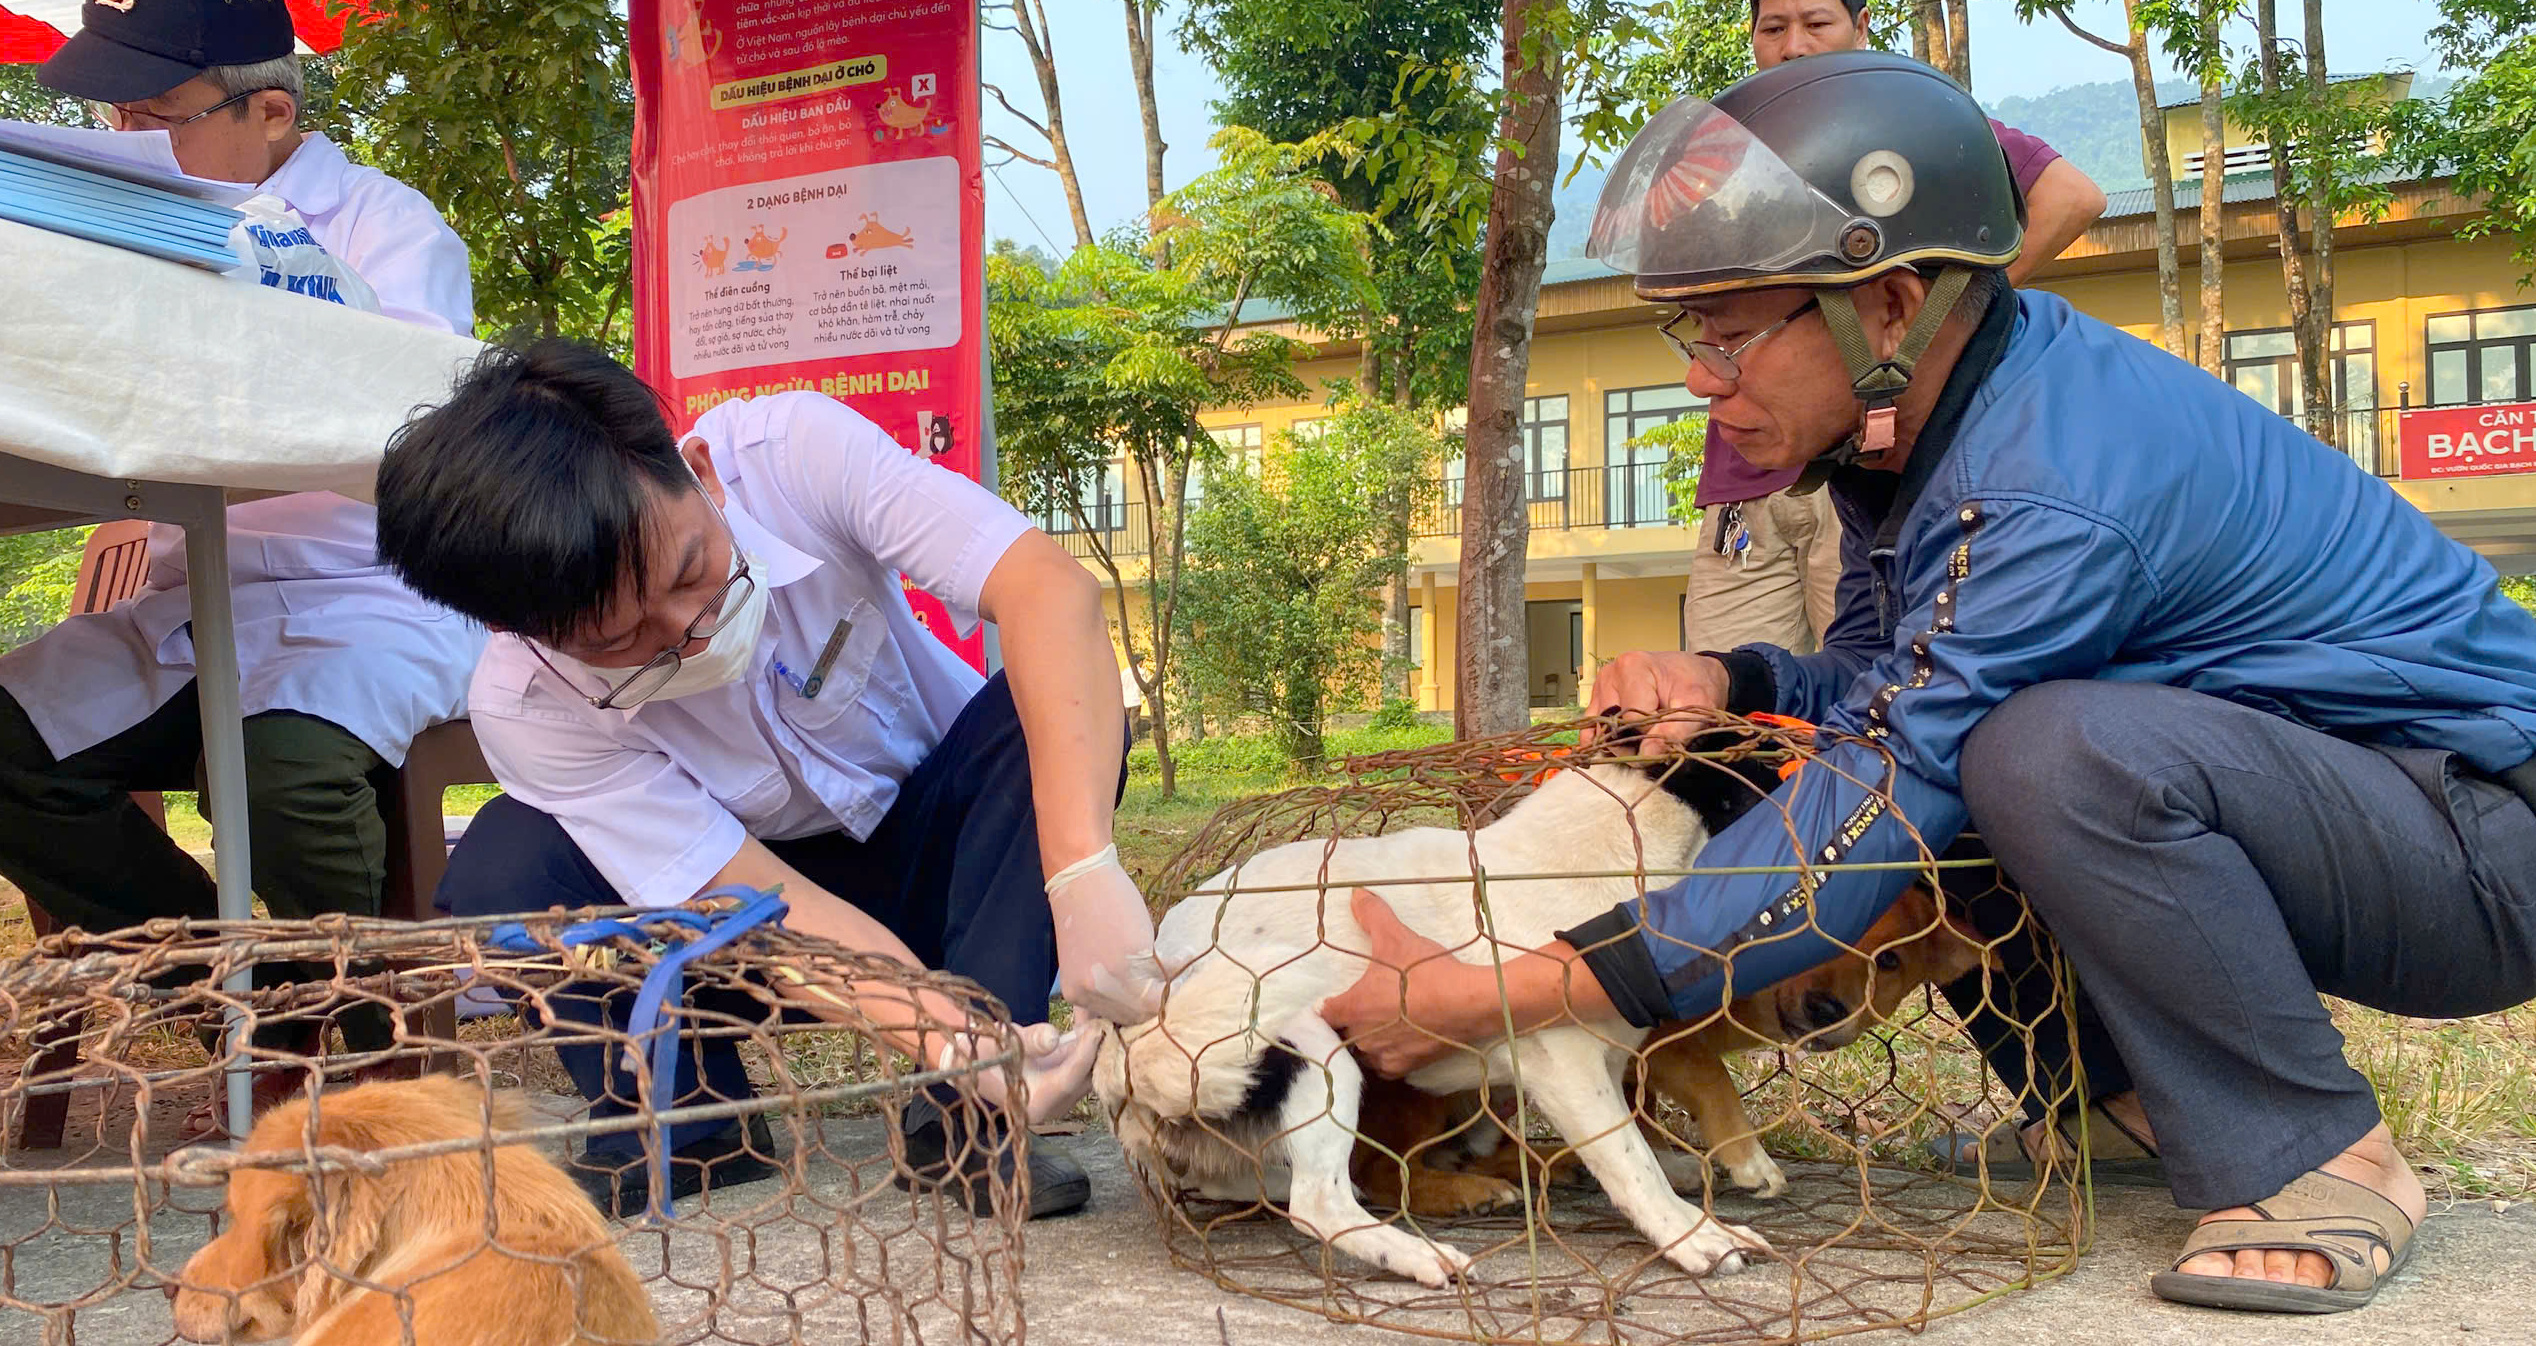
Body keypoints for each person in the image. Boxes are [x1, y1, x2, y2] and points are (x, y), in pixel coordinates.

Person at [1323, 51, 2536, 1314]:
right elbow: (1872, 687)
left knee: (2034, 754)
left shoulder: (2043, 482)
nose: (1700, 377)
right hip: (2350, 808)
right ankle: (2112, 1103)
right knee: (1930, 755)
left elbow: (1887, 777)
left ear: (1890, 305)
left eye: (1731, 335)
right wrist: (1726, 675)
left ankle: (2319, 1155)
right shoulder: (1927, 434)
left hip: (2476, 842)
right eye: (1691, 334)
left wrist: (1508, 989)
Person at [373, 342, 1162, 1221]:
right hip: (744, 935)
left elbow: (1047, 589)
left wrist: (1081, 869)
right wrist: (948, 1037)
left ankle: (967, 1117)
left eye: (689, 572)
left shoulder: (793, 455)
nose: (692, 631)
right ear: (523, 633)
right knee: (508, 861)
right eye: (621, 641)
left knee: (1040, 706)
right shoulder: (527, 707)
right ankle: (685, 1120)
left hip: (951, 868)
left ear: (700, 472)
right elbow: (757, 907)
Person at [0, 0, 478, 1111]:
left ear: (268, 111)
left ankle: (373, 1059)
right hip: (187, 605)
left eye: (153, 118)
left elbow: (400, 430)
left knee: (279, 775)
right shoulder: (116, 228)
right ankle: (248, 998)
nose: (123, 145)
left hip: (364, 595)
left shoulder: (387, 230)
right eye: (112, 119)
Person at [1682, 0, 2106, 657]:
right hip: (1746, 479)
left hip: (1863, 459)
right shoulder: (1729, 148)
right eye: (1773, 28)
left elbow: (2072, 196)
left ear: (1862, 27)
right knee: (1724, 700)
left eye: (1816, 23)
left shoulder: (1902, 124)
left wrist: (1945, 317)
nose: (1792, 46)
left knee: (1870, 673)